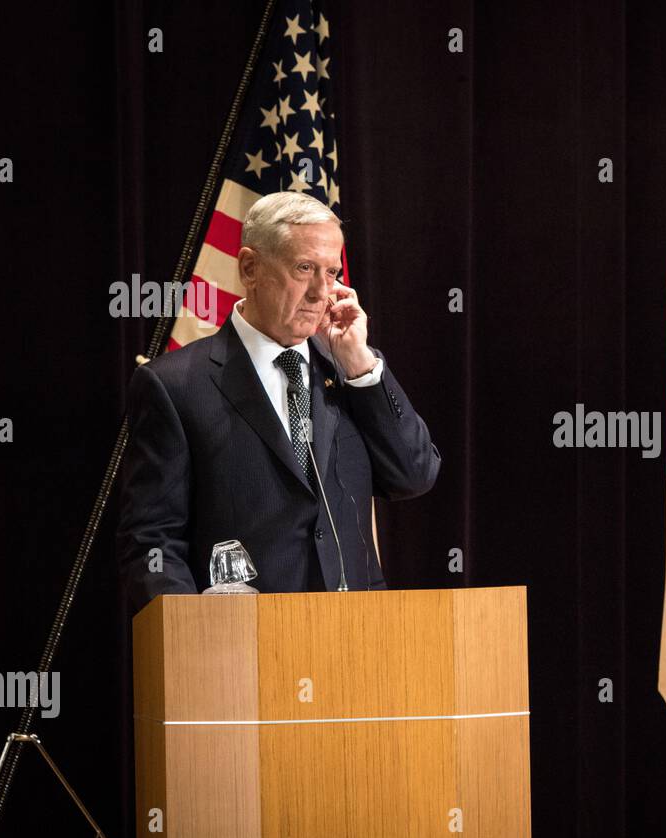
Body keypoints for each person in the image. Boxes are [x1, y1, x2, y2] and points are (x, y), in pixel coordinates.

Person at [118, 192, 441, 611]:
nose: (321, 292)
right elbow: (151, 541)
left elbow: (414, 475)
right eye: (304, 268)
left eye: (332, 272)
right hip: (240, 650)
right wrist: (196, 640)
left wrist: (362, 367)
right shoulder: (175, 386)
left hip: (356, 640)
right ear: (249, 268)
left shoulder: (351, 371)